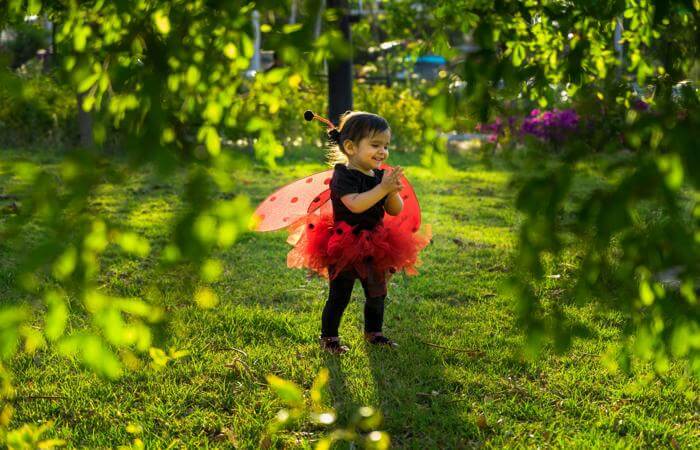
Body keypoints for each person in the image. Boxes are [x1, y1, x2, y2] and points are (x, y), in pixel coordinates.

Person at [284, 111, 432, 354]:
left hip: (376, 242)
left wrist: (391, 191)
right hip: (344, 243)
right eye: (375, 145)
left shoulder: (378, 176)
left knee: (377, 292)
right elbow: (355, 203)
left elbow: (394, 210)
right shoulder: (343, 175)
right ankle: (329, 337)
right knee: (339, 295)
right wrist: (382, 188)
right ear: (351, 147)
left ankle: (374, 333)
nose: (382, 151)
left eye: (386, 146)